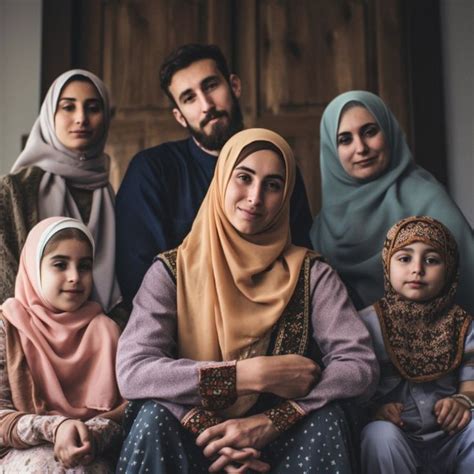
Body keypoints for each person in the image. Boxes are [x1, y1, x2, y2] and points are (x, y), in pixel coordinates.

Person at [116, 129, 378, 473]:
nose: (255, 197)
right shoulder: (171, 271)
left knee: (328, 420)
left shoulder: (312, 273)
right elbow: (135, 370)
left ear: (285, 196)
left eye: (272, 185)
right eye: (244, 177)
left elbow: (359, 366)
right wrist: (244, 376)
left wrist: (273, 421)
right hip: (193, 434)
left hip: (281, 440)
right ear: (222, 178)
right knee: (152, 417)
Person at [115, 43, 313, 307]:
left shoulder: (278, 166)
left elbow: (299, 258)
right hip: (180, 326)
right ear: (180, 116)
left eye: (210, 86)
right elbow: (137, 278)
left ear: (234, 86)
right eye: (189, 98)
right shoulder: (152, 171)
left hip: (272, 315)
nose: (206, 104)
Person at [310, 90, 474, 313]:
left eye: (370, 132)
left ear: (388, 131)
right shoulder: (323, 225)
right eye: (345, 139)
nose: (361, 148)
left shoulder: (426, 199)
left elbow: (468, 281)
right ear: (331, 149)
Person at [0, 217, 125, 472]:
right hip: (24, 454)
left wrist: (87, 435)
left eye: (84, 266)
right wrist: (56, 428)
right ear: (34, 269)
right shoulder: (8, 327)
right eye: (60, 265)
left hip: (92, 455)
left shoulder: (108, 331)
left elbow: (129, 409)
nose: (74, 277)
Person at [0, 69, 123, 323]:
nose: (81, 118)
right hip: (27, 333)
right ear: (49, 115)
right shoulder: (14, 190)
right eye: (68, 107)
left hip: (99, 333)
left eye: (93, 108)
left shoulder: (108, 193)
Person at [359, 216, 473, 474]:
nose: (417, 269)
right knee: (378, 436)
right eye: (404, 258)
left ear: (450, 269)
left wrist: (463, 401)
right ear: (387, 265)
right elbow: (354, 387)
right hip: (400, 437)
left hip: (451, 437)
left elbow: (471, 378)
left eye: (432, 260)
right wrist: (375, 411)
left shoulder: (463, 325)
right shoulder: (366, 324)